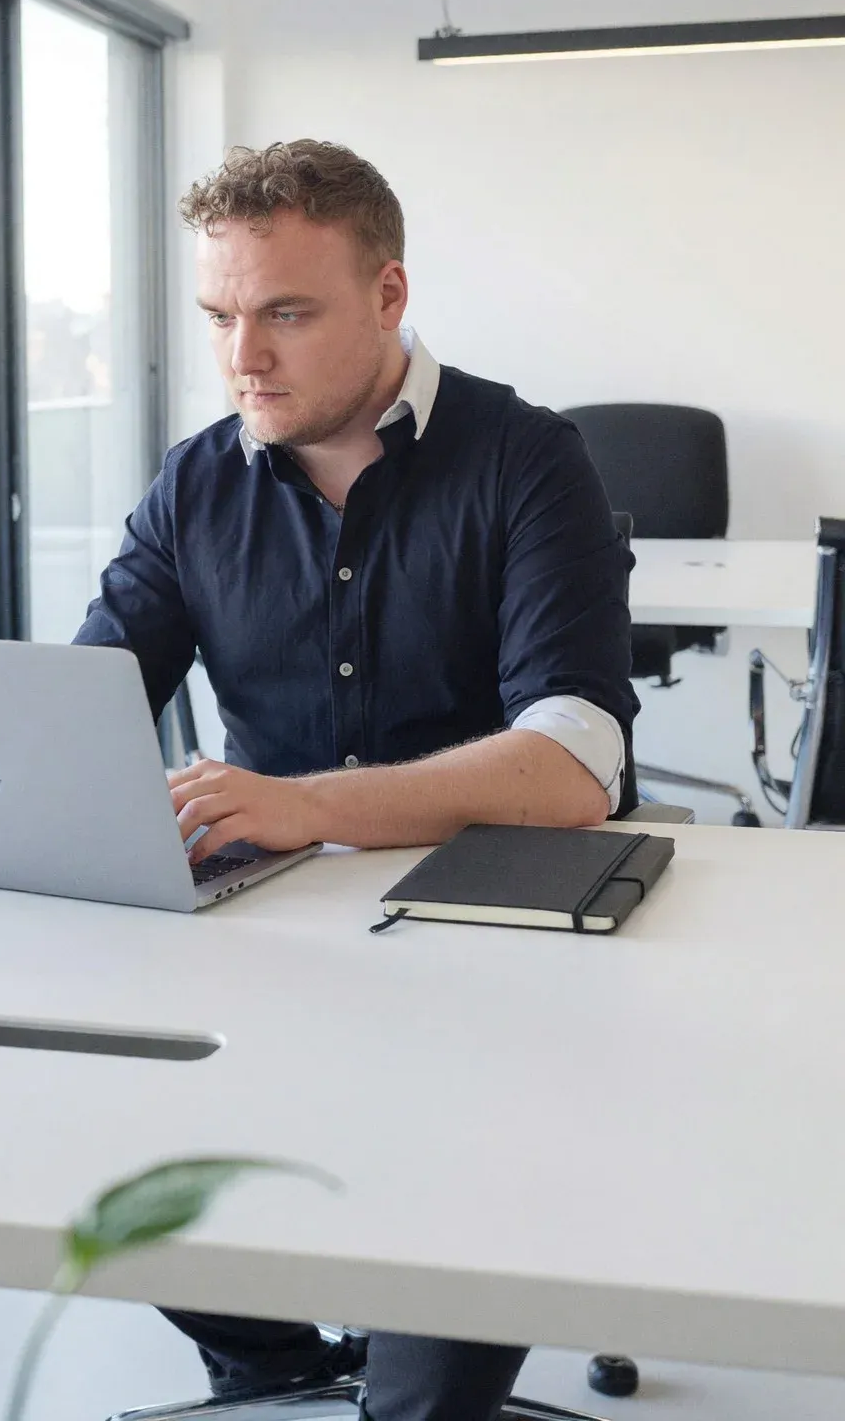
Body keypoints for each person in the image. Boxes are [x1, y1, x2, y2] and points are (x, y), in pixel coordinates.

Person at [74, 138, 638, 1421]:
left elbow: (574, 764)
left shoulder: (528, 458)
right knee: (86, 1136)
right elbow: (92, 708)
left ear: (389, 297)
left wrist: (311, 802)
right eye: (220, 315)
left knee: (423, 1406)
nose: (243, 357)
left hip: (498, 967)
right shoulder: (196, 481)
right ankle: (276, 1364)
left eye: (285, 313)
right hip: (269, 947)